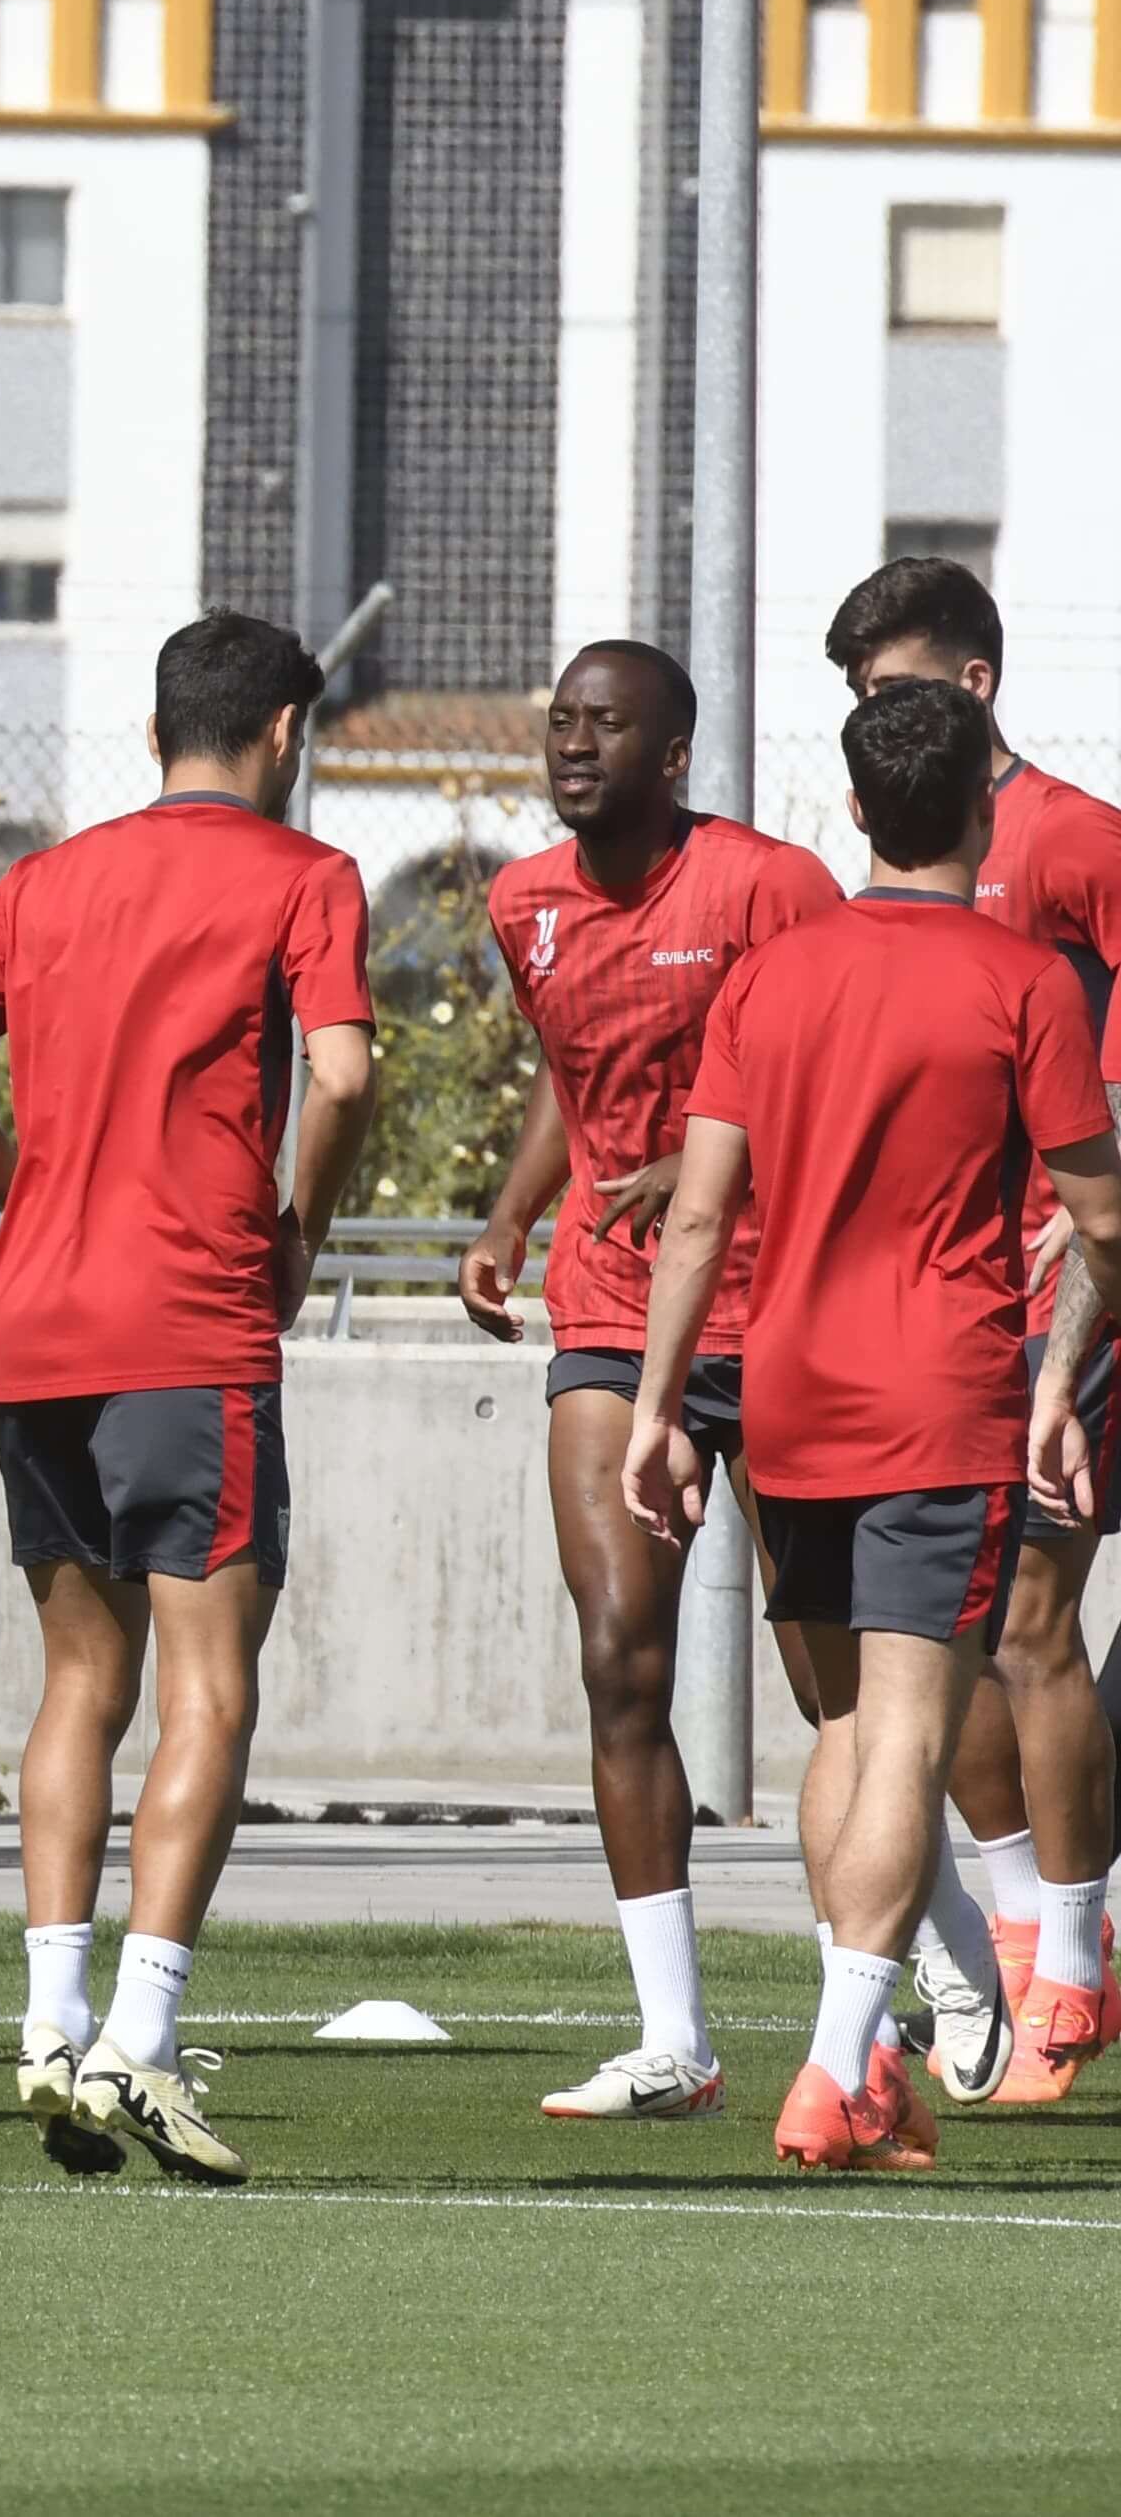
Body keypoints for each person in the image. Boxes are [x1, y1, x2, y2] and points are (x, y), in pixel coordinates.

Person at [0, 610, 376, 2186]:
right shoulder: (302, 877)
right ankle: (144, 2046)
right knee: (209, 1687)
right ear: (287, 731)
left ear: (156, 727)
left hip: (35, 1329)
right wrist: (296, 1227)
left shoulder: (41, 879)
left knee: (74, 1683)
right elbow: (350, 1074)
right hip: (190, 1324)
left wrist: (29, 1188)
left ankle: (48, 2022)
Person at [631, 673, 1121, 2172]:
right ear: (985, 800)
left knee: (845, 1729)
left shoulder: (770, 975)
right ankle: (837, 2066)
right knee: (908, 1731)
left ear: (852, 809)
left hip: (786, 1393)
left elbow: (700, 1215)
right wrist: (1059, 1383)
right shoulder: (1022, 979)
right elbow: (1101, 1214)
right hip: (938, 1397)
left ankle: (878, 2057)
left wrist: (660, 1408)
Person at [457, 639, 844, 2120]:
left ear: (672, 753)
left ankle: (923, 1972)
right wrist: (507, 1211)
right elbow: (577, 1086)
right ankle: (675, 2036)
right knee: (622, 1656)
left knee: (839, 1694)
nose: (575, 742)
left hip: (781, 1307)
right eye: (560, 719)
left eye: (607, 724)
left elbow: (835, 1066)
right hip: (612, 1305)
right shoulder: (521, 901)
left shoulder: (768, 888)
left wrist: (708, 1157)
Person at [822, 554, 1121, 2061]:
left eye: (886, 691)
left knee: (1027, 1618)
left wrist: (1082, 1286)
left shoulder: (1078, 842)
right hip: (934, 1309)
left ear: (973, 685)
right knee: (955, 1635)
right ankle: (1020, 1914)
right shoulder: (881, 869)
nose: (869, 724)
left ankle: (1073, 1952)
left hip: (1067, 1283)